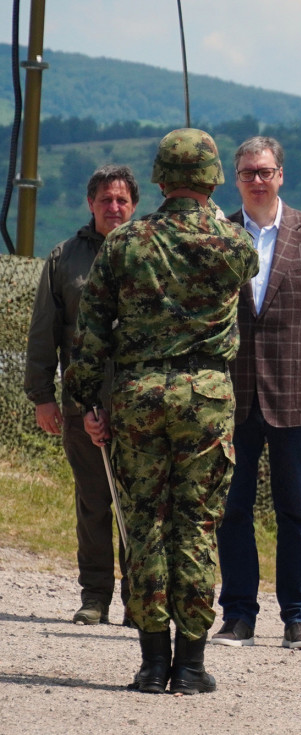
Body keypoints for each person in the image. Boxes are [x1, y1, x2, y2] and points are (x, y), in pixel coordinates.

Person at [63, 128, 258, 695]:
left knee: (144, 525)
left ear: (159, 180)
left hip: (138, 395)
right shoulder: (231, 244)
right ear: (213, 179)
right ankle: (191, 665)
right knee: (195, 527)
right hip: (205, 399)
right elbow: (244, 255)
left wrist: (86, 403)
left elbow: (91, 332)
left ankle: (152, 663)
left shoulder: (125, 244)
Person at [212, 136, 301, 652]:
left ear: (281, 175)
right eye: (247, 173)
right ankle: (239, 615)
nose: (257, 180)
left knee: (298, 511)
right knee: (231, 509)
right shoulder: (218, 233)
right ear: (236, 178)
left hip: (296, 396)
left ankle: (299, 618)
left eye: (265, 172)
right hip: (230, 395)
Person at [24, 164, 138, 626]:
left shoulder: (151, 253)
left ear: (134, 205)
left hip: (141, 407)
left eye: (122, 201)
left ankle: (139, 599)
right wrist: (42, 397)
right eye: (105, 200)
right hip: (81, 405)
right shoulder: (63, 258)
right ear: (90, 203)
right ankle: (95, 597)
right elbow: (42, 333)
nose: (114, 208)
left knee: (139, 507)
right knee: (93, 503)